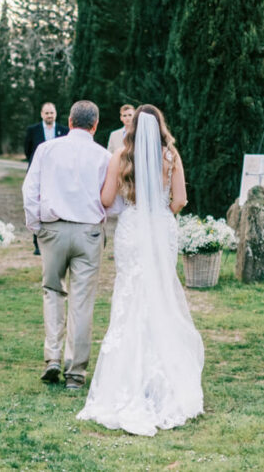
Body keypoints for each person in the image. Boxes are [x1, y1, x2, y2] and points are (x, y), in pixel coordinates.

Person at [77, 104, 204, 435]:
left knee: (129, 295)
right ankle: (164, 378)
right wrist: (159, 207)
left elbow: (106, 200)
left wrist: (130, 198)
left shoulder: (121, 155)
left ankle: (125, 378)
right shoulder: (170, 156)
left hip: (132, 228)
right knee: (160, 293)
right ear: (160, 125)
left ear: (133, 126)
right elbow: (179, 200)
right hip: (161, 228)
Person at [22, 101, 111, 391]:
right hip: (88, 233)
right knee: (82, 302)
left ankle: (52, 359)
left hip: (53, 230)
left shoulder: (47, 150)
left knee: (52, 293)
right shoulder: (104, 156)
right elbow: (113, 200)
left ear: (69, 122)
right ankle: (76, 373)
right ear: (94, 125)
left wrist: (37, 227)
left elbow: (30, 190)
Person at [24, 102, 69, 255]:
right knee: (37, 205)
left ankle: (57, 240)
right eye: (47, 113)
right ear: (42, 114)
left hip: (57, 174)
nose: (49, 115)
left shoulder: (64, 130)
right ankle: (37, 243)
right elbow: (27, 150)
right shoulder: (33, 130)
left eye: (52, 113)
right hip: (39, 173)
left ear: (55, 113)